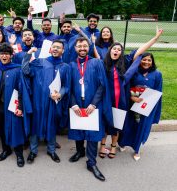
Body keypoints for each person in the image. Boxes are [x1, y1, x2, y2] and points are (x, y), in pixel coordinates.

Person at [99, 28, 164, 159]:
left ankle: (113, 146)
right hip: (107, 99)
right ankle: (102, 145)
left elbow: (140, 50)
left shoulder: (126, 62)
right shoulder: (103, 63)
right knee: (105, 122)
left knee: (117, 123)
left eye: (119, 50)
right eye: (114, 49)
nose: (116, 51)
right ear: (110, 51)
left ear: (121, 53)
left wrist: (155, 39)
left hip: (121, 100)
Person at [68, 37, 113, 182]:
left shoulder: (96, 62)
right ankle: (80, 151)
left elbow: (102, 85)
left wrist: (94, 104)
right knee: (78, 129)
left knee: (92, 133)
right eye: (79, 46)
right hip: (77, 104)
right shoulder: (71, 65)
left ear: (89, 47)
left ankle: (91, 163)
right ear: (75, 48)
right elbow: (68, 87)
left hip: (92, 104)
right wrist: (73, 103)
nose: (82, 48)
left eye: (85, 46)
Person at [22, 40, 71, 164]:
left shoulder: (65, 67)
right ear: (50, 49)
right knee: (35, 124)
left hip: (54, 102)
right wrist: (28, 54)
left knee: (52, 125)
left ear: (62, 51)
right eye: (53, 47)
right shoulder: (41, 62)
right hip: (38, 100)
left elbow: (66, 86)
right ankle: (33, 151)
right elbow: (26, 70)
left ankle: (51, 149)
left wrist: (60, 94)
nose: (55, 49)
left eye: (58, 47)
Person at [0, 43, 30, 167]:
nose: (4, 56)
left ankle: (19, 154)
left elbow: (21, 88)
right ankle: (6, 149)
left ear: (11, 55)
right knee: (1, 128)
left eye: (6, 54)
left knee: (16, 128)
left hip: (13, 104)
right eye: (2, 54)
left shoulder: (17, 69)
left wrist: (20, 107)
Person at [119, 53, 163, 161]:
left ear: (152, 62)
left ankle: (137, 149)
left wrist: (148, 103)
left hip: (146, 105)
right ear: (139, 61)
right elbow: (127, 85)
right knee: (128, 124)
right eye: (144, 60)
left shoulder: (157, 74)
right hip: (132, 103)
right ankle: (123, 143)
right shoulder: (134, 72)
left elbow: (158, 91)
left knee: (141, 126)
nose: (146, 62)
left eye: (149, 60)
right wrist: (131, 97)